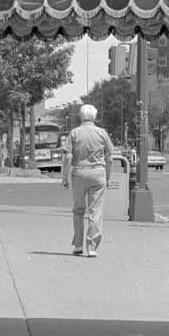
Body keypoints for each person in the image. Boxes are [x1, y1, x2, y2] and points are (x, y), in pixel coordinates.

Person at [61, 104, 114, 258]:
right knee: (95, 211)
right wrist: (108, 177)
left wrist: (64, 177)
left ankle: (78, 245)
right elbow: (110, 157)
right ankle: (92, 247)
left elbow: (68, 157)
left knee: (78, 210)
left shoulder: (74, 133)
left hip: (79, 173)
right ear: (94, 117)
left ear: (81, 116)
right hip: (98, 173)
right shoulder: (102, 133)